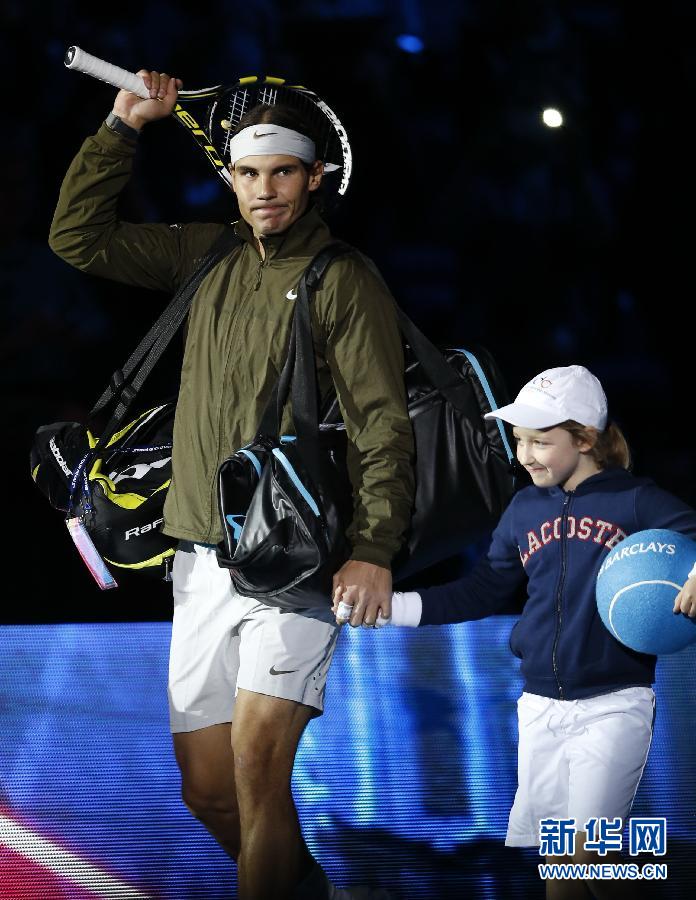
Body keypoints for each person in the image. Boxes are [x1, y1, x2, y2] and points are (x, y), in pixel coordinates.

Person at [49, 69, 413, 900]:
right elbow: (78, 240)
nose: (265, 189)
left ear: (315, 177)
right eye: (248, 174)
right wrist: (123, 126)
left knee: (257, 772)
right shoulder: (205, 253)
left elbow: (381, 424)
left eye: (283, 171)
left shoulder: (343, 277)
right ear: (231, 179)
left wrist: (374, 548)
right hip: (201, 561)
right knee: (209, 791)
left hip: (296, 560)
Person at [335, 364, 696, 899]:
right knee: (564, 866)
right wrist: (396, 609)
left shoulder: (635, 500)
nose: (525, 454)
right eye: (519, 440)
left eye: (541, 441)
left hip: (614, 702)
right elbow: (482, 590)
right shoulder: (523, 508)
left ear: (585, 439)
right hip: (540, 707)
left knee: (591, 849)